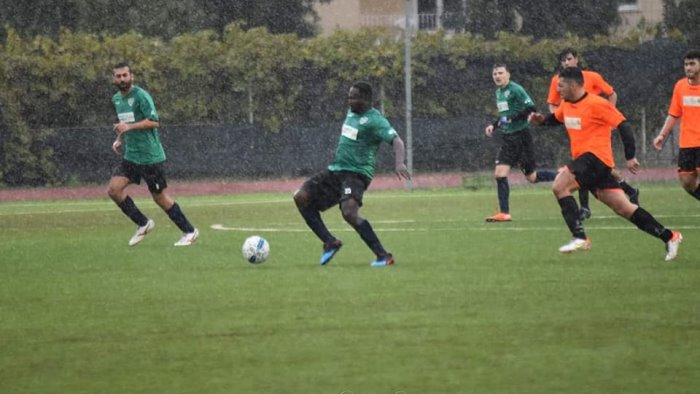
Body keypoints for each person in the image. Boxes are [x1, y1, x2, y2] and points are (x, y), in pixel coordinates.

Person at [529, 67, 682, 261]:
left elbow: (623, 125)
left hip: (596, 159)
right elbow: (555, 119)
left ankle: (579, 237)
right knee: (625, 209)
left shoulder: (597, 104)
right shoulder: (567, 104)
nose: (557, 90)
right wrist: (541, 120)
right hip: (592, 165)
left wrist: (630, 156)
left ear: (574, 84)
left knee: (560, 186)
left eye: (561, 85)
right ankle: (669, 236)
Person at [293, 81, 411, 267]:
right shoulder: (352, 112)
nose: (349, 101)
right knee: (301, 197)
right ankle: (330, 242)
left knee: (349, 212)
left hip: (356, 174)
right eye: (348, 97)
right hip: (336, 170)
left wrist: (399, 162)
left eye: (353, 97)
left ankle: (383, 256)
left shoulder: (375, 120)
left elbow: (396, 140)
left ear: (365, 99)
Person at [107, 62, 199, 247]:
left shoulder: (141, 96)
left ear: (131, 76)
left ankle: (189, 231)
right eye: (118, 76)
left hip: (150, 157)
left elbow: (154, 122)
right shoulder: (117, 99)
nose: (122, 79)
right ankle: (143, 223)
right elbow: (126, 123)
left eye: (125, 75)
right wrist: (120, 138)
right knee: (114, 190)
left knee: (159, 198)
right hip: (131, 156)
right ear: (113, 79)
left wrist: (129, 127)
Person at [547, 48, 638, 221]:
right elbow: (552, 104)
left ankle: (584, 214)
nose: (566, 63)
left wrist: (609, 117)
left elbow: (611, 94)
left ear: (577, 59)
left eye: (569, 59)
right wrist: (560, 116)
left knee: (582, 169)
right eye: (563, 60)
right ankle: (628, 190)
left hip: (595, 130)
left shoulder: (592, 77)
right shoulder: (557, 81)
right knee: (591, 170)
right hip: (576, 129)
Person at [484, 63, 556, 222]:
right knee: (499, 174)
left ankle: (563, 176)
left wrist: (512, 119)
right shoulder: (499, 92)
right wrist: (494, 126)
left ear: (508, 74)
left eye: (500, 73)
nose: (497, 76)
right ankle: (504, 213)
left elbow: (531, 108)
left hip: (521, 137)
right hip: (508, 138)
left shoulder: (516, 89)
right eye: (494, 73)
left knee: (532, 178)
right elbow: (505, 116)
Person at [653, 49, 700, 201]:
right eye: (686, 64)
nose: (688, 68)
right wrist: (662, 135)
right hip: (687, 143)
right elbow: (674, 114)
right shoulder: (680, 86)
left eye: (692, 64)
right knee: (687, 182)